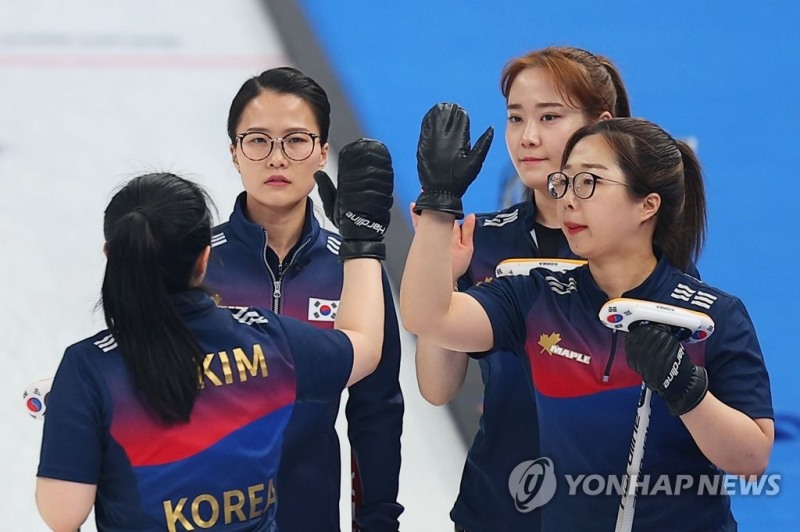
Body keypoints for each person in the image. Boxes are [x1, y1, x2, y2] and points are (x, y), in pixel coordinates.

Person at [401, 107, 773, 531]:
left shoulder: (711, 315)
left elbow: (752, 461)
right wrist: (438, 201)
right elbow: (428, 316)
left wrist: (686, 391)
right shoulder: (535, 295)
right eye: (565, 182)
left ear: (647, 204)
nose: (569, 199)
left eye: (590, 182)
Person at [36, 156, 394, 531]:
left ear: (111, 256)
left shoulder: (88, 369)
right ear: (205, 257)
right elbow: (365, 348)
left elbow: (63, 514)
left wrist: (72, 423)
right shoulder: (272, 338)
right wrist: (362, 242)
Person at [412, 46, 630, 531]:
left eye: (549, 116)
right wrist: (442, 274)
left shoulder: (640, 242)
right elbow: (436, 387)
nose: (528, 138)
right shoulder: (478, 239)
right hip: (498, 507)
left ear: (601, 124)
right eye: (515, 118)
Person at [203, 67, 403, 531]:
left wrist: (377, 518)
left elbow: (376, 410)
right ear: (234, 152)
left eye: (296, 140)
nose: (276, 158)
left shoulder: (355, 270)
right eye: (257, 140)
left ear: (322, 153)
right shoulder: (193, 266)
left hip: (308, 515)